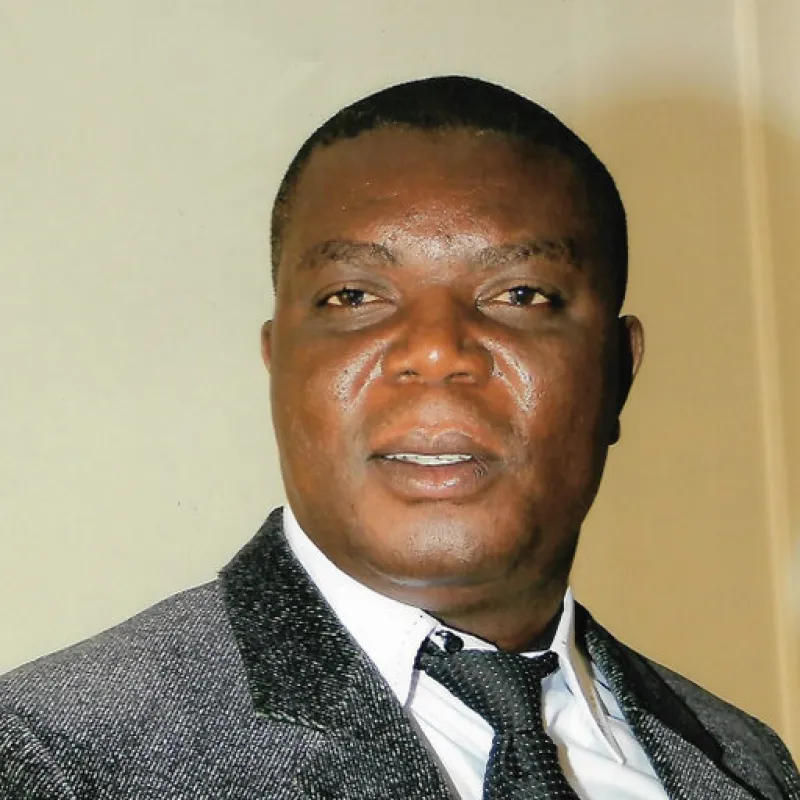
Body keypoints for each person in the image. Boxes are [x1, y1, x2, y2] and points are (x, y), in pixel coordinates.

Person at [0, 75, 797, 800]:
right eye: (353, 296)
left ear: (618, 372)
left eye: (521, 293)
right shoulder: (51, 756)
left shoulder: (748, 762)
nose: (438, 351)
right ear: (279, 366)